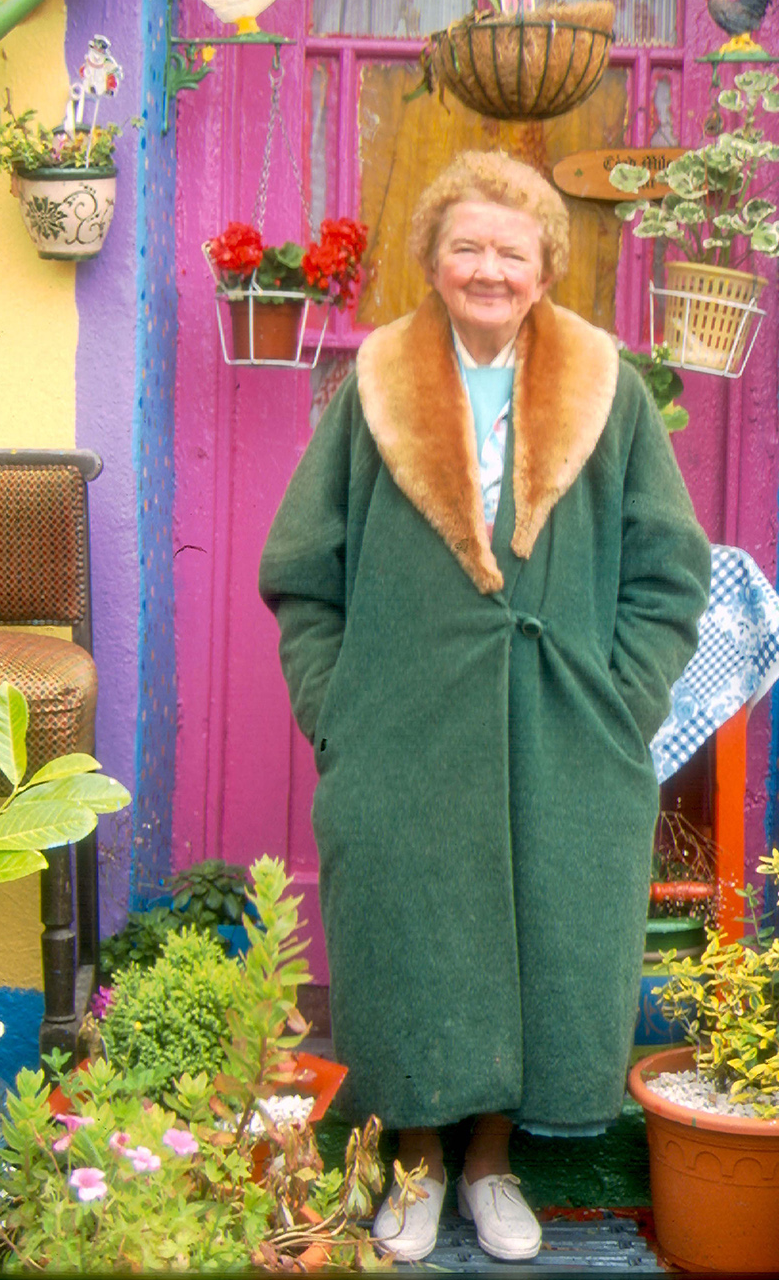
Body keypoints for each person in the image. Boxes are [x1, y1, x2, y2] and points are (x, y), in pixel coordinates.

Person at [260, 149, 711, 1263]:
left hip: (569, 732)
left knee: (543, 940)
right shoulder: (374, 384)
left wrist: (625, 698)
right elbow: (301, 570)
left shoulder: (608, 386)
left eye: (512, 250)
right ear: (433, 258)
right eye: (466, 246)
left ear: (547, 264)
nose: (489, 268)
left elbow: (669, 570)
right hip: (400, 730)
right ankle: (413, 1162)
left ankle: (494, 1164)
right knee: (409, 937)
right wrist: (340, 708)